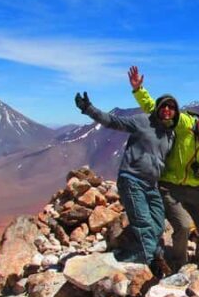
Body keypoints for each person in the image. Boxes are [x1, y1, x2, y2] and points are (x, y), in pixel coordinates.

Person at [127, 66, 199, 271]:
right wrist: (139, 90)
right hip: (170, 187)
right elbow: (159, 110)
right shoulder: (185, 123)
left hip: (196, 189)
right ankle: (179, 265)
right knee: (182, 226)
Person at [74, 87, 176, 277]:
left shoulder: (170, 134)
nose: (167, 110)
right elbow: (114, 122)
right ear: (158, 107)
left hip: (152, 184)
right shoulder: (143, 121)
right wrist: (89, 109)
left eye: (172, 107)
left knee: (158, 224)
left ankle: (136, 253)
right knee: (143, 221)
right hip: (132, 179)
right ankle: (155, 265)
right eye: (164, 106)